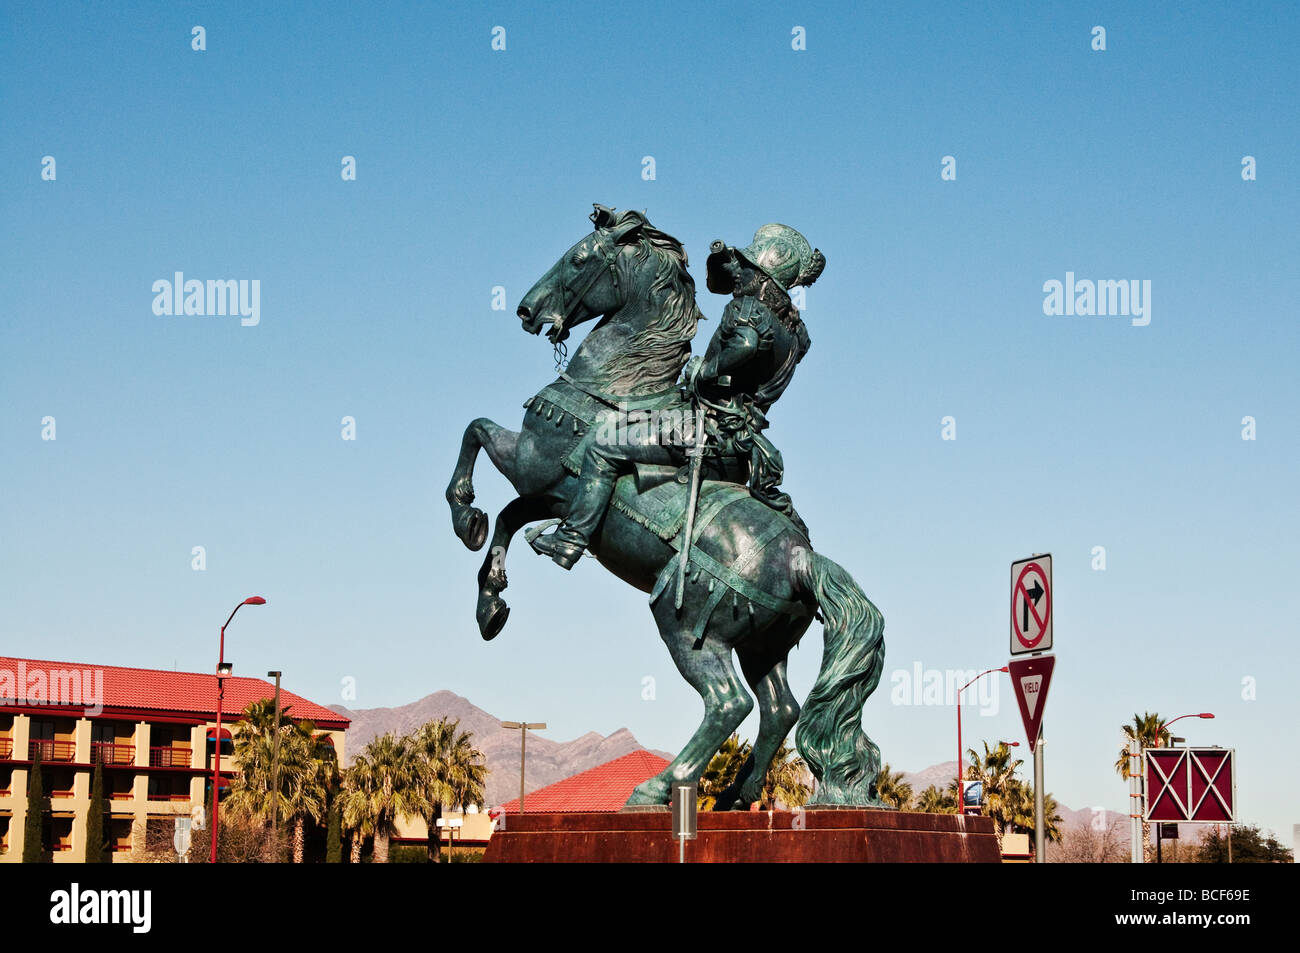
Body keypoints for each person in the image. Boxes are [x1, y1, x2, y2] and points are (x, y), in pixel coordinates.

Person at [530, 224, 825, 568]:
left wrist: (707, 369)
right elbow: (723, 286)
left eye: (746, 268)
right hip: (742, 448)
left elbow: (747, 343)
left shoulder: (747, 308)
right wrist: (723, 259)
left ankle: (571, 540)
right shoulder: (796, 334)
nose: (739, 274)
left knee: (603, 444)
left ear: (762, 279)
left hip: (705, 428)